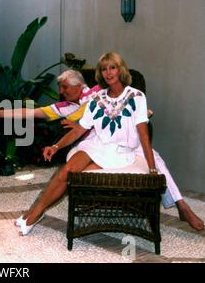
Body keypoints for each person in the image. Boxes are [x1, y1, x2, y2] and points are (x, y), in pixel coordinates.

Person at [15, 52, 204, 235]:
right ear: (101, 74)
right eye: (104, 69)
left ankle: (183, 206)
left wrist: (152, 170)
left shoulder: (136, 97)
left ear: (120, 70)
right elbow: (80, 129)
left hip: (124, 149)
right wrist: (56, 146)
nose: (109, 72)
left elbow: (143, 134)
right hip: (96, 144)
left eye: (112, 67)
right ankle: (35, 214)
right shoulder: (96, 99)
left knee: (157, 160)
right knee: (66, 170)